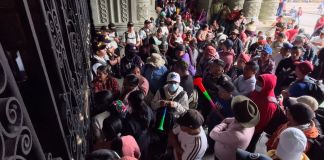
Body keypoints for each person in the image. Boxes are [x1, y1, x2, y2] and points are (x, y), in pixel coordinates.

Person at [209, 95, 260, 160]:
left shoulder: (237, 136)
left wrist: (223, 125)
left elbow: (212, 133)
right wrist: (225, 123)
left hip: (223, 157)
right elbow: (228, 119)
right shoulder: (249, 123)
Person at [247, 74, 277, 152]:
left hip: (253, 130)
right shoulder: (258, 91)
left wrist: (248, 129)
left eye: (260, 84)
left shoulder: (270, 104)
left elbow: (261, 123)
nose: (257, 85)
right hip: (247, 123)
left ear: (267, 86)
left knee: (249, 148)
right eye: (257, 82)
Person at [123, 90, 154, 160]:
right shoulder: (148, 109)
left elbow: (127, 138)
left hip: (137, 143)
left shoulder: (130, 121)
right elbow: (153, 122)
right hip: (147, 139)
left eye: (129, 103)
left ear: (132, 104)